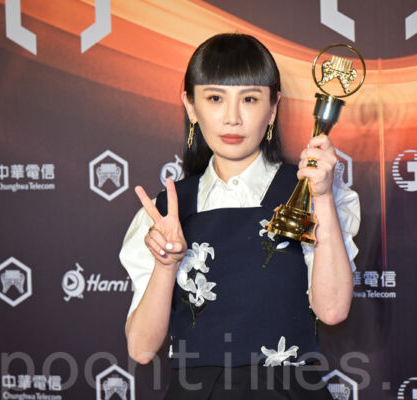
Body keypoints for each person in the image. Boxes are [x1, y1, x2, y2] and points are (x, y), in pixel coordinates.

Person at [120, 33, 360, 399]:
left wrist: (323, 197)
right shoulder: (164, 211)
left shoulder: (314, 195)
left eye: (249, 99)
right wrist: (166, 265)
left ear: (273, 108)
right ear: (190, 106)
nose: (232, 118)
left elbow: (332, 311)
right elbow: (140, 348)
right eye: (215, 98)